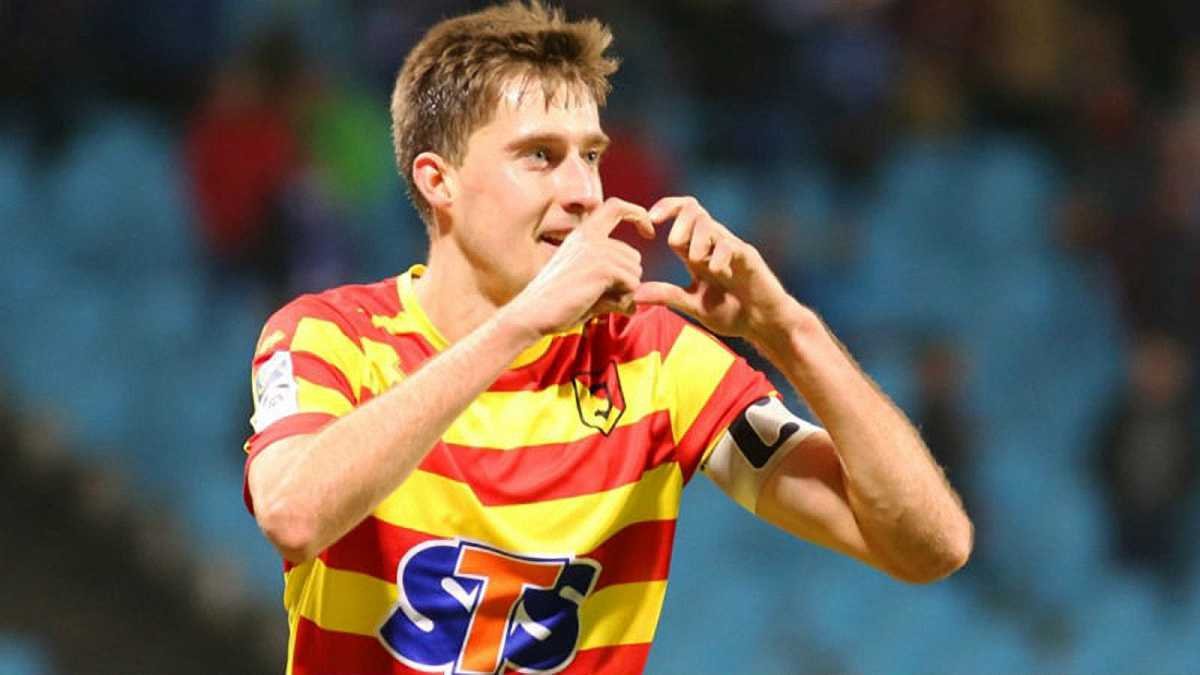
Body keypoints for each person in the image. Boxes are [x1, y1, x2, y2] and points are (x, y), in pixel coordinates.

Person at [242, 2, 973, 673]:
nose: (584, 192)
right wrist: (521, 323)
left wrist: (789, 330)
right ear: (440, 181)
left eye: (589, 155)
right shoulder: (332, 335)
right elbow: (294, 515)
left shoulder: (654, 360)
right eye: (539, 155)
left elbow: (929, 548)